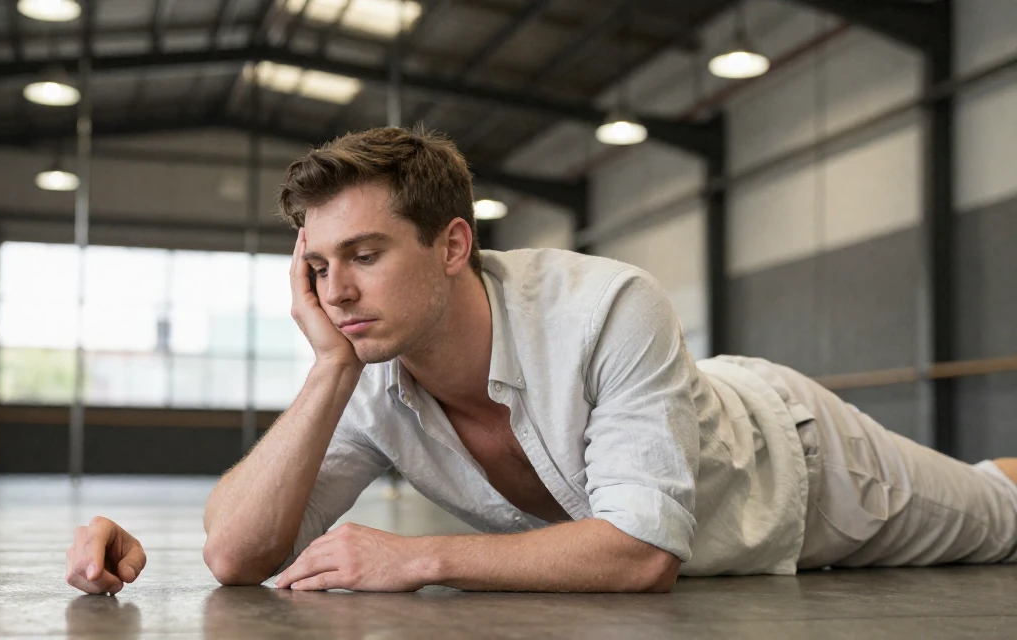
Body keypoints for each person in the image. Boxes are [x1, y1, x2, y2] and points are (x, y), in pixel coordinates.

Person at [64, 127, 1017, 595]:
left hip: (803, 468)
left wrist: (422, 558)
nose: (338, 292)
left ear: (450, 246)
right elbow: (238, 554)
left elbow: (640, 551)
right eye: (318, 265)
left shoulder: (607, 306)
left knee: (1001, 514)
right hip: (721, 523)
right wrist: (327, 374)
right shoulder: (366, 371)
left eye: (364, 256)